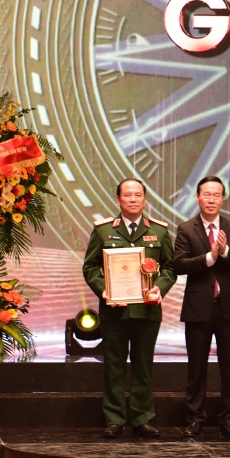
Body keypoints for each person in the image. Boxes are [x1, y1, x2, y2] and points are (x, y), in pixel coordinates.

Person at [82, 178, 177, 439]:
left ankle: (142, 418)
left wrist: (159, 288)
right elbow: (90, 267)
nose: (133, 199)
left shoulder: (159, 231)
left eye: (138, 195)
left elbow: (170, 268)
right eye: (127, 195)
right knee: (114, 365)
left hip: (147, 310)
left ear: (145, 199)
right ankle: (114, 419)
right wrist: (103, 290)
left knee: (143, 366)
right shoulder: (103, 231)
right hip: (114, 310)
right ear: (118, 200)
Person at [172, 175, 230, 438]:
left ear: (222, 199)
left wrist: (225, 252)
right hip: (198, 308)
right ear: (197, 198)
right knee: (196, 369)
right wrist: (209, 257)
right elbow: (179, 264)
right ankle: (195, 419)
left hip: (228, 308)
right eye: (207, 194)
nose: (212, 199)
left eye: (217, 195)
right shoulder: (186, 229)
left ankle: (229, 420)